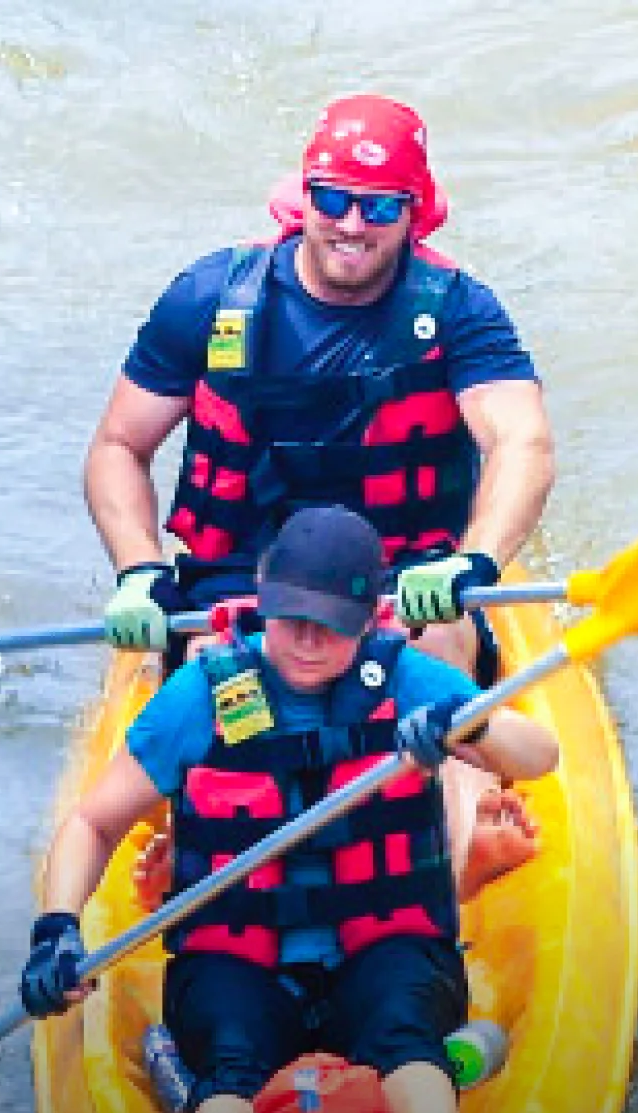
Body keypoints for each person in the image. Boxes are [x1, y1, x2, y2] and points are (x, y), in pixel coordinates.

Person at [20, 506, 558, 1113]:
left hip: (380, 940)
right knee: (229, 1056)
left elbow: (539, 757)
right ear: (263, 602)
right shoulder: (204, 693)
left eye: (331, 624)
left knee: (407, 1035)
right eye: (290, 619)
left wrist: (473, 727)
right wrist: (56, 930)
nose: (307, 640)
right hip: (241, 951)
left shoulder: (408, 679)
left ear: (371, 617)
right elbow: (95, 822)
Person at [86, 91, 555, 687]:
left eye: (380, 208)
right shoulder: (209, 297)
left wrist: (476, 561)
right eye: (334, 200)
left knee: (437, 647)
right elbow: (119, 445)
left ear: (415, 212)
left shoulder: (460, 310)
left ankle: (469, 778)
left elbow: (523, 442)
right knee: (218, 673)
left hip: (404, 580)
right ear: (304, 198)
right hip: (242, 579)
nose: (353, 225)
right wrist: (139, 570)